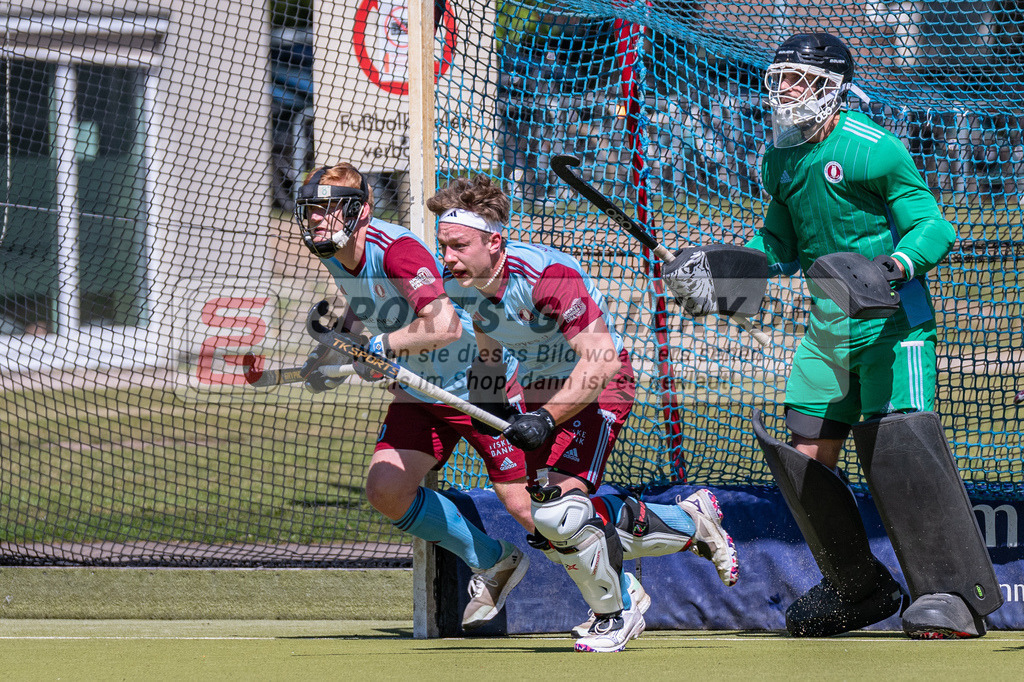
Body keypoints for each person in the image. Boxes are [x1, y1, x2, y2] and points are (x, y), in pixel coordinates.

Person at [665, 33, 1001, 639]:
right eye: (779, 79)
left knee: (900, 451)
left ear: (833, 88)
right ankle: (857, 587)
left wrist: (895, 266)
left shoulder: (875, 148)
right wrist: (719, 271)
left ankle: (949, 595)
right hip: (827, 330)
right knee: (802, 456)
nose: (784, 90)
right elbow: (778, 246)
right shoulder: (779, 159)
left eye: (798, 79)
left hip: (895, 325)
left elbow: (933, 225)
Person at [428, 175, 739, 653]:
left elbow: (602, 361)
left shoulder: (546, 276)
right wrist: (488, 394)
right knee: (553, 526)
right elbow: (489, 343)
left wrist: (544, 419)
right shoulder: (462, 282)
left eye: (458, 246)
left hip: (598, 384)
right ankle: (690, 522)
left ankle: (616, 615)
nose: (447, 258)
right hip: (540, 388)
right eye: (443, 246)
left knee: (563, 514)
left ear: (494, 242)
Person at [293, 162, 534, 630]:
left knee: (526, 506)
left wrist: (381, 347)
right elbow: (362, 305)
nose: (317, 218)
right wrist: (334, 353)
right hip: (419, 389)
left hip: (478, 383)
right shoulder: (334, 249)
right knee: (387, 490)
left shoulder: (397, 251)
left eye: (328, 208)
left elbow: (445, 326)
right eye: (311, 209)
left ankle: (622, 588)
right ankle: (495, 561)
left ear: (361, 211)